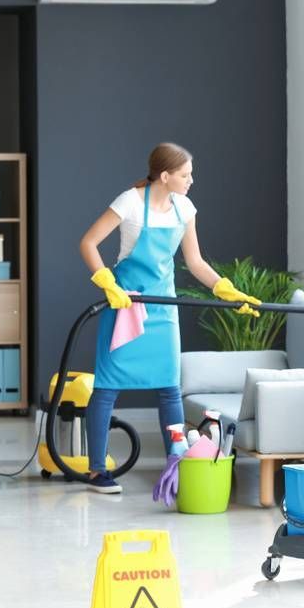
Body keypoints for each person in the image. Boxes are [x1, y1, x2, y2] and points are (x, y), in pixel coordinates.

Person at [78, 142, 261, 494]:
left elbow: (195, 262)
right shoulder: (130, 201)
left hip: (163, 309)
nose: (191, 181)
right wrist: (106, 282)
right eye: (185, 175)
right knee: (107, 387)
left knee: (168, 389)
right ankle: (97, 470)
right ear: (165, 176)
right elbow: (88, 242)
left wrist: (226, 289)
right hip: (126, 305)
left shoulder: (185, 208)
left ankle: (177, 464)